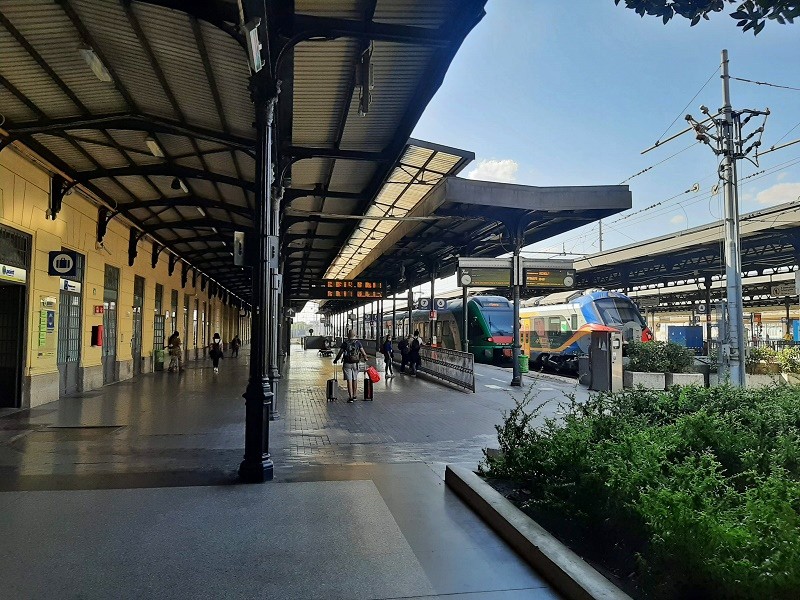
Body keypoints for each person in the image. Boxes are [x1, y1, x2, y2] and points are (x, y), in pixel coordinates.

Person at [333, 329, 368, 402]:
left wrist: (336, 360)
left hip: (347, 364)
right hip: (355, 363)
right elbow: (363, 352)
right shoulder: (358, 343)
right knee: (355, 379)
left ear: (348, 335)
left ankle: (351, 397)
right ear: (355, 335)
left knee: (349, 380)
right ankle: (355, 395)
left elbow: (340, 353)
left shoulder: (345, 343)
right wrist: (365, 358)